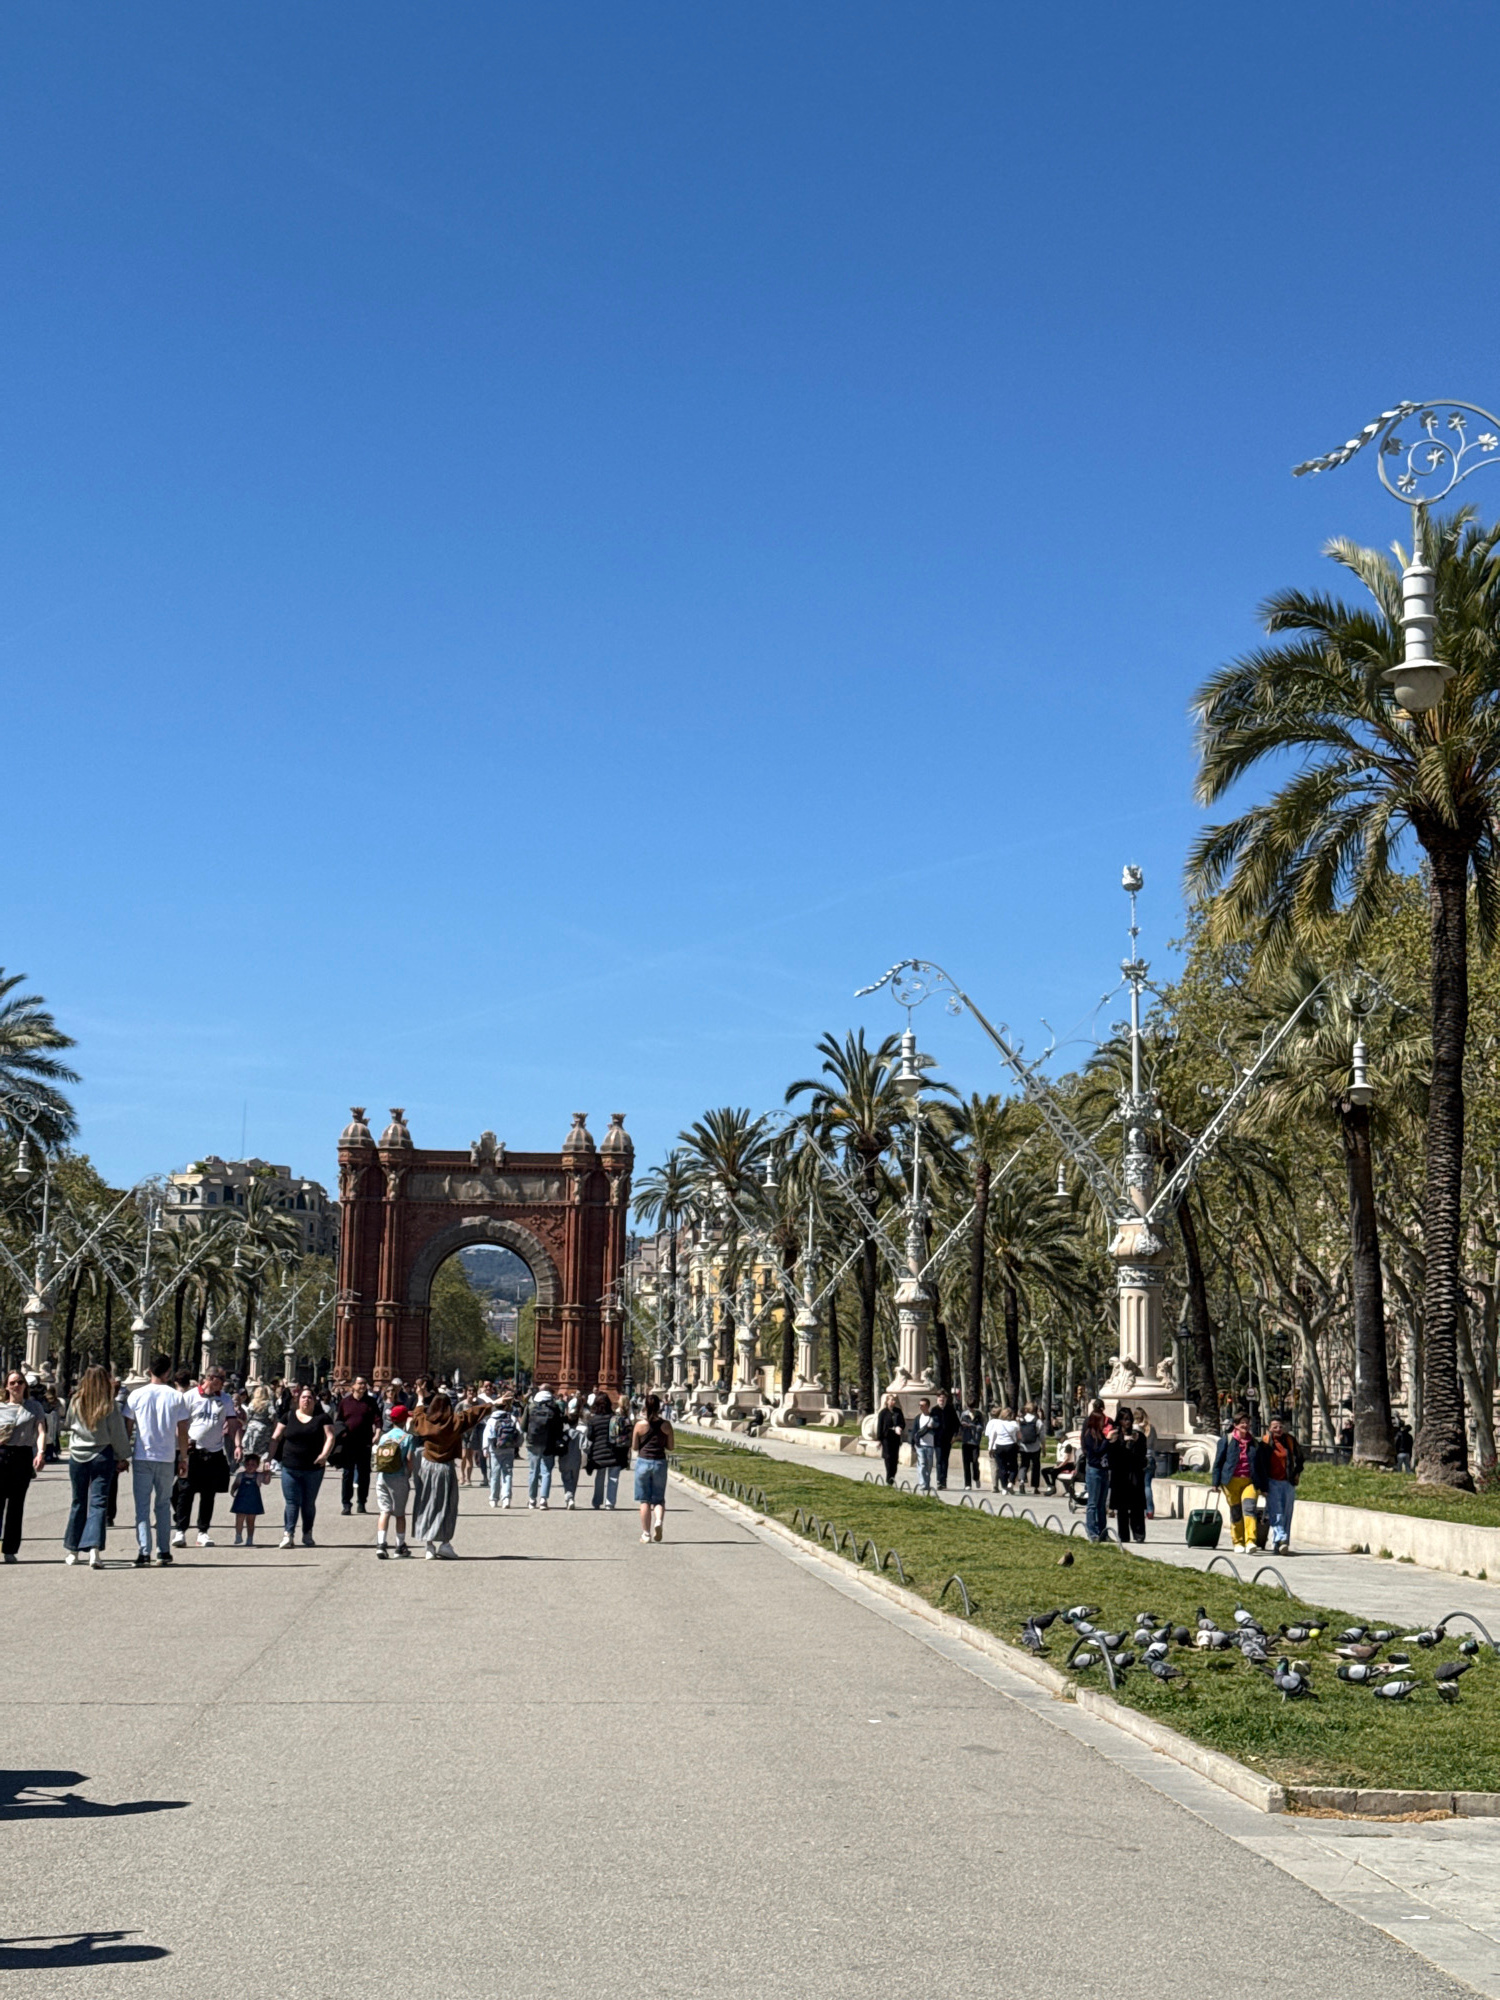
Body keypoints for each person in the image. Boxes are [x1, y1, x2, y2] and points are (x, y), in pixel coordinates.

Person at [126, 1355, 191, 1568]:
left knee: (142, 1506)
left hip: (142, 1455)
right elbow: (182, 1430)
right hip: (166, 1456)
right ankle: (163, 1550)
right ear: (168, 1372)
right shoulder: (176, 1396)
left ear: (149, 1371)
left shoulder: (136, 1395)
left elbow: (128, 1426)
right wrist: (183, 1457)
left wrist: (123, 1454)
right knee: (163, 1504)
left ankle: (144, 1551)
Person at [62, 1365, 129, 1568]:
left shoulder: (76, 1401)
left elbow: (68, 1423)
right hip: (101, 1453)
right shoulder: (109, 1404)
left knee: (78, 1501)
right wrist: (123, 1456)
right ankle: (94, 1550)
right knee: (98, 1503)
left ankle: (73, 1550)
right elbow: (117, 1433)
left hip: (78, 1454)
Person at [410, 1389, 483, 1558]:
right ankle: (445, 1543)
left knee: (426, 1502)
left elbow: (418, 1413)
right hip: (445, 1467)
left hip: (427, 1466)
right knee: (447, 1505)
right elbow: (473, 1414)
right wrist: (493, 1404)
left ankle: (429, 1545)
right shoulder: (455, 1422)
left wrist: (420, 1397)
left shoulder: (425, 1421)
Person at [172, 1366, 236, 1548]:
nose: (223, 1383)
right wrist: (183, 1443)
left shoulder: (225, 1399)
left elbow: (232, 1423)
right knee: (185, 1492)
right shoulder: (190, 1397)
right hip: (191, 1452)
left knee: (209, 1494)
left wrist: (237, 1445)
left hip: (214, 1452)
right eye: (221, 1379)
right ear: (210, 1378)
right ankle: (180, 1530)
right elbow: (179, 1424)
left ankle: (203, 1532)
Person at [270, 1387, 335, 1548]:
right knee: (292, 1502)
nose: (306, 1400)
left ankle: (307, 1532)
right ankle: (288, 1534)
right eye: (303, 1397)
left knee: (308, 1503)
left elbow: (330, 1437)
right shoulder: (288, 1416)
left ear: (314, 1400)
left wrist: (324, 1455)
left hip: (314, 1468)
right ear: (298, 1400)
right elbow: (276, 1437)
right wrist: (268, 1458)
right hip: (290, 1467)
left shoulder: (322, 1418)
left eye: (309, 1398)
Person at [0, 1369, 49, 1563]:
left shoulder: (34, 1407)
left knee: (16, 1505)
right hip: (2, 1455)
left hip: (22, 1457)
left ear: (25, 1386)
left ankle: (10, 1549)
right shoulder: (1, 1407)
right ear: (6, 1386)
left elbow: (41, 1431)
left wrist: (41, 1452)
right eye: (12, 1383)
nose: (16, 1386)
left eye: (20, 1382)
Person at [1254, 1413, 1305, 1554]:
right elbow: (1260, 1465)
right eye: (1275, 1427)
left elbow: (1300, 1458)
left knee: (1287, 1514)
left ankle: (1281, 1544)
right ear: (1269, 1428)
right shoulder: (1265, 1443)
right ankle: (1281, 1539)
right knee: (1276, 1513)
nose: (1278, 1429)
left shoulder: (1290, 1441)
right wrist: (1263, 1486)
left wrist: (1296, 1473)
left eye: (1280, 1426)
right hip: (1272, 1482)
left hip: (1288, 1483)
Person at [1211, 1409, 1259, 1553]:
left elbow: (1260, 1465)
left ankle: (1250, 1541)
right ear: (1236, 1425)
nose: (1245, 1425)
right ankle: (1238, 1542)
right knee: (1236, 1512)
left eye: (1247, 1423)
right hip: (1230, 1482)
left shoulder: (1254, 1442)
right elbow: (1218, 1462)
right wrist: (1215, 1483)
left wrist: (1263, 1486)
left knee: (1249, 1509)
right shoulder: (1227, 1440)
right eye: (1242, 1423)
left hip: (1249, 1482)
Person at [373, 1404, 416, 1557]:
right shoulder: (408, 1437)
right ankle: (399, 1546)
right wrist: (409, 1473)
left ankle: (381, 1544)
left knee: (384, 1511)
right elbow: (409, 1459)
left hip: (382, 1476)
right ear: (405, 1420)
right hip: (399, 1477)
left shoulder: (384, 1436)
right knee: (400, 1514)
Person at [336, 1375, 382, 1516]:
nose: (363, 1386)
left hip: (365, 1442)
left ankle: (362, 1502)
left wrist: (377, 1433)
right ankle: (346, 1504)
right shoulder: (345, 1402)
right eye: (360, 1383)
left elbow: (378, 1419)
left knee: (364, 1473)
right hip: (348, 1443)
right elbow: (339, 1420)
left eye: (364, 1383)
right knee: (348, 1473)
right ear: (353, 1386)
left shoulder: (371, 1401)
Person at [631, 1392, 674, 1542]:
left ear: (645, 1407)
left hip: (643, 1462)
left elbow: (635, 1447)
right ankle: (659, 1521)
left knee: (644, 1500)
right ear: (659, 1407)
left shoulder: (639, 1425)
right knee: (658, 1499)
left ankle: (646, 1534)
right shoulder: (666, 1425)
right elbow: (671, 1446)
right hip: (659, 1462)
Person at [1107, 1404, 1147, 1543]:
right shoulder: (1115, 1437)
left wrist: (1135, 1443)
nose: (1127, 1422)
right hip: (1121, 1476)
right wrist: (1120, 1443)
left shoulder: (1139, 1436)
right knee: (1122, 1508)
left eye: (1129, 1419)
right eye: (1124, 1419)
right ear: (1119, 1421)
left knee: (1137, 1507)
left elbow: (1142, 1456)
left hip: (1135, 1475)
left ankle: (1139, 1534)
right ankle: (1123, 1535)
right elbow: (1112, 1457)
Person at [525, 1385, 565, 1509]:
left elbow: (523, 1426)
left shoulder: (531, 1406)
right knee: (546, 1471)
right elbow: (559, 1427)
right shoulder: (555, 1407)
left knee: (533, 1471)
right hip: (549, 1442)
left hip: (533, 1442)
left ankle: (532, 1500)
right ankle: (543, 1500)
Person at [584, 1390, 626, 1509]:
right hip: (614, 1452)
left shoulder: (593, 1420)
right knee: (613, 1478)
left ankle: (597, 1501)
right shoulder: (615, 1418)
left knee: (600, 1477)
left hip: (598, 1453)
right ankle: (610, 1503)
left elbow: (590, 1437)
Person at [483, 1394, 522, 1508]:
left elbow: (487, 1435)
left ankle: (494, 1499)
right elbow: (519, 1432)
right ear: (505, 1407)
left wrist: (485, 1448)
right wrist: (517, 1445)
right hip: (509, 1448)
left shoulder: (491, 1420)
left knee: (494, 1474)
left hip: (495, 1449)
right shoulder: (512, 1418)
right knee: (507, 1473)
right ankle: (506, 1498)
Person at [1079, 1402, 1111, 1542]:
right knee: (1092, 1503)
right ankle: (1092, 1532)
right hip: (1094, 1470)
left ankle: (1103, 1532)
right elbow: (1097, 1451)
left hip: (1104, 1470)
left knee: (1101, 1504)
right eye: (1102, 1421)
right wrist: (1107, 1441)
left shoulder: (1102, 1435)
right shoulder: (1089, 1436)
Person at [229, 1453, 265, 1546]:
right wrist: (233, 1490)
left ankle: (250, 1538)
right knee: (239, 1518)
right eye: (247, 1464)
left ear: (257, 1466)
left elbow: (266, 1481)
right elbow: (236, 1484)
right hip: (241, 1501)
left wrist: (267, 1471)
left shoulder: (258, 1476)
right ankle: (238, 1535)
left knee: (250, 1521)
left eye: (253, 1465)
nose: (250, 1467)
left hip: (253, 1502)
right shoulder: (240, 1475)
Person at [984, 1406, 1020, 1493]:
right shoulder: (1015, 1424)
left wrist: (991, 1448)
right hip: (1011, 1446)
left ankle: (1004, 1487)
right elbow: (1019, 1437)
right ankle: (1010, 1482)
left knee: (1002, 1467)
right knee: (1014, 1467)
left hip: (999, 1446)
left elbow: (993, 1436)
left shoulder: (998, 1424)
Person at [557, 1397, 584, 1510]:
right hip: (576, 1460)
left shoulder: (564, 1433)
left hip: (564, 1459)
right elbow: (585, 1446)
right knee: (574, 1480)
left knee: (566, 1479)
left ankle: (569, 1497)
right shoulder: (579, 1434)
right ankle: (571, 1497)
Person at [932, 1389, 959, 1490]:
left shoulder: (950, 1410)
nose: (941, 1400)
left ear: (946, 1399)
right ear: (937, 1399)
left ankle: (944, 1480)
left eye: (943, 1398)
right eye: (940, 1398)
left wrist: (954, 1436)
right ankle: (939, 1480)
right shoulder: (934, 1410)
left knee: (945, 1460)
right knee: (939, 1460)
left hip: (948, 1439)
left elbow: (956, 1424)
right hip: (937, 1440)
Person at [910, 1398, 938, 1493]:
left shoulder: (933, 1418)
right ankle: (923, 1484)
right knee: (922, 1464)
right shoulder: (918, 1418)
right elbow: (914, 1431)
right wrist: (912, 1443)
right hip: (920, 1445)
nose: (920, 1407)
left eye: (922, 1405)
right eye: (919, 1405)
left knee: (929, 1465)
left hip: (930, 1445)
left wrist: (932, 1427)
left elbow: (937, 1427)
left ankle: (927, 1482)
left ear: (927, 1406)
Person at [1136, 1409, 1159, 1518]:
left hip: (1139, 1458)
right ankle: (1150, 1510)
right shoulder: (1151, 1428)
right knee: (1147, 1485)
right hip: (1150, 1457)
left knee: (1137, 1485)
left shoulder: (1135, 1428)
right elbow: (1155, 1443)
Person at [1017, 1403, 1044, 1492]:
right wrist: (1044, 1448)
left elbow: (1018, 1433)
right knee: (1036, 1466)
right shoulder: (1038, 1421)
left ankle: (1021, 1481)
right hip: (1035, 1447)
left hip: (1023, 1447)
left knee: (1024, 1465)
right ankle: (1035, 1487)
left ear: (1025, 1409)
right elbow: (1042, 1436)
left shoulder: (1021, 1420)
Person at [958, 1407, 983, 1490]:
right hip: (966, 1441)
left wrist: (972, 1426)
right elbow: (960, 1426)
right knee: (966, 1463)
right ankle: (967, 1484)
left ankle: (976, 1477)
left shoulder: (979, 1414)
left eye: (972, 1407)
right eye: (969, 1407)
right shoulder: (964, 1414)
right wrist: (962, 1426)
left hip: (975, 1442)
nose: (971, 1409)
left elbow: (981, 1427)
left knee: (975, 1461)